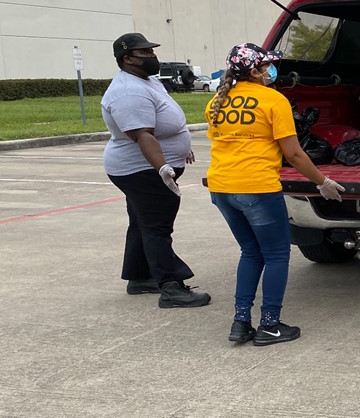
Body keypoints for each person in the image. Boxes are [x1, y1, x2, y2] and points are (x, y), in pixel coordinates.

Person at [206, 43, 346, 346]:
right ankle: (270, 325)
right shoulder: (273, 100)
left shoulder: (217, 101)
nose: (272, 70)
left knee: (250, 253)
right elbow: (294, 154)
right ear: (255, 70)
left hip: (222, 188)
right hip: (256, 187)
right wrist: (322, 182)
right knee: (276, 255)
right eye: (267, 65)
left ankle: (241, 322)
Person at [101, 32, 210, 309]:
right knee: (157, 227)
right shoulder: (128, 91)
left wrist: (180, 145)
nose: (152, 56)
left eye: (152, 51)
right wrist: (162, 166)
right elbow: (143, 135)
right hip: (143, 171)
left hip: (146, 167)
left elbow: (162, 124)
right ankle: (170, 287)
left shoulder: (145, 80)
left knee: (141, 223)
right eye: (145, 53)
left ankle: (139, 277)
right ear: (126, 58)